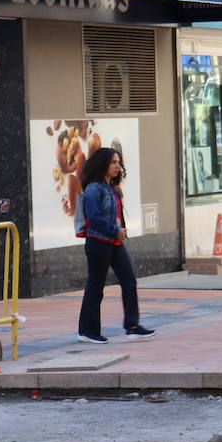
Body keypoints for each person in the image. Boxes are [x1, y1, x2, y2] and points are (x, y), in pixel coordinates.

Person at [75, 147, 155, 344]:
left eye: (119, 162)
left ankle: (132, 326)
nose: (118, 166)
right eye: (113, 162)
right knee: (96, 286)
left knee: (129, 281)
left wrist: (120, 231)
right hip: (99, 242)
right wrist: (114, 230)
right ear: (102, 164)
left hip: (115, 242)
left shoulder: (111, 188)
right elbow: (94, 217)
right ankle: (87, 331)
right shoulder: (94, 188)